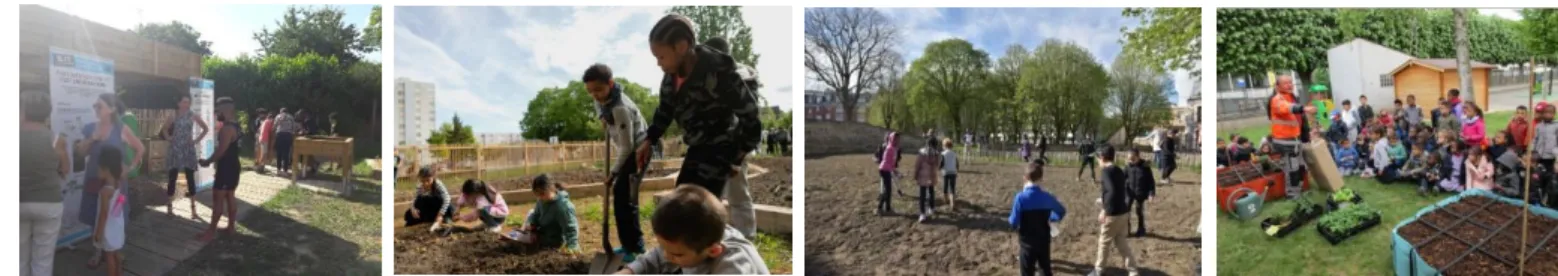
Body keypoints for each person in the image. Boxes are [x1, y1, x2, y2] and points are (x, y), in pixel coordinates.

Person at [635, 14, 763, 239]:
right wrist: (649, 139)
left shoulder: (719, 72)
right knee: (682, 200)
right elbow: (664, 110)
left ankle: (708, 259)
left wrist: (739, 154)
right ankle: (685, 258)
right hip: (697, 145)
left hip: (722, 146)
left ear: (682, 47)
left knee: (699, 213)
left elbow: (750, 115)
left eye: (661, 56)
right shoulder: (670, 77)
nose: (658, 63)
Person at [617, 185, 770, 274]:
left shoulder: (734, 267)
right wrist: (629, 271)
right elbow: (655, 258)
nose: (666, 256)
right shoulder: (695, 238)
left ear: (713, 251)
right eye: (664, 248)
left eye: (676, 254)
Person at [584, 63, 650, 260]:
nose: (595, 95)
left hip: (638, 151)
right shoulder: (603, 98)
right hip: (628, 149)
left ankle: (635, 248)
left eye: (598, 89)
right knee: (621, 198)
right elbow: (599, 106)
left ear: (610, 84)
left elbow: (627, 148)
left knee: (625, 198)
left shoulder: (620, 107)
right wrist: (602, 117)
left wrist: (613, 173)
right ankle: (629, 246)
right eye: (590, 91)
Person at [76, 94, 144, 268]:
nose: (96, 109)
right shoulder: (91, 128)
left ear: (112, 109)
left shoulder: (121, 128)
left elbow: (140, 149)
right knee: (94, 214)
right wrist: (93, 139)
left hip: (115, 184)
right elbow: (81, 153)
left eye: (99, 106)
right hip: (94, 178)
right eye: (95, 106)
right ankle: (97, 250)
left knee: (115, 215)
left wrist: (130, 169)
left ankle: (114, 249)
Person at [21, 90, 67, 276]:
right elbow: (65, 170)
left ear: (23, 111)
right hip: (49, 203)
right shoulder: (57, 140)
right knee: (43, 259)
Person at [1009, 159, 1067, 276]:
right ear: (1041, 179)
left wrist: (1014, 224)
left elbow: (1014, 221)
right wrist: (1052, 218)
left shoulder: (1020, 198)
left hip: (1027, 243)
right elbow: (1061, 211)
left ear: (1024, 178)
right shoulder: (1047, 197)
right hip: (1043, 240)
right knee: (1045, 270)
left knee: (1027, 271)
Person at [1087, 145, 1138, 276]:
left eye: (1097, 159)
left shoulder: (1106, 171)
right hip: (1123, 212)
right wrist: (1103, 199)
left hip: (1113, 214)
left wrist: (1105, 209)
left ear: (1102, 158)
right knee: (1122, 243)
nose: (1097, 162)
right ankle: (1133, 270)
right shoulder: (1119, 170)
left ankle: (1098, 270)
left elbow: (1112, 191)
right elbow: (1118, 191)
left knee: (1104, 242)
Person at [196, 97, 242, 242]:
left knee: (218, 199)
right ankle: (231, 227)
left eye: (218, 109)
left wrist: (207, 161)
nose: (216, 112)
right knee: (230, 196)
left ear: (224, 110)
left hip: (226, 168)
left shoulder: (227, 129)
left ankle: (210, 232)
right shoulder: (237, 126)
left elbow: (221, 151)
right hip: (234, 166)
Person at [160, 94, 209, 219]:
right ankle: (169, 207)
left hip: (188, 149)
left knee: (190, 178)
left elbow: (205, 128)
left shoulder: (193, 115)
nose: (187, 104)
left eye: (188, 102)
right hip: (175, 149)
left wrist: (195, 140)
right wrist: (169, 138)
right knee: (172, 177)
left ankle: (193, 209)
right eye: (184, 102)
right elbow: (164, 129)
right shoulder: (173, 115)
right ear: (179, 103)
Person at [1266, 75, 1315, 200]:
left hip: (1295, 139)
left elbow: (1298, 119)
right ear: (1277, 86)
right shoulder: (1277, 99)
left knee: (1300, 166)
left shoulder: (1292, 96)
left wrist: (1305, 133)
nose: (1290, 85)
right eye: (1285, 83)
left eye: (1291, 82)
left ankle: (1299, 189)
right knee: (1292, 168)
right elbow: (1286, 108)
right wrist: (1304, 108)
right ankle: (1293, 195)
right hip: (1285, 141)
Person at [512, 174, 580, 251]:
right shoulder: (542, 200)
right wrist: (531, 224)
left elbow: (571, 230)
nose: (539, 197)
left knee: (520, 239)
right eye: (537, 195)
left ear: (550, 189)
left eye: (542, 194)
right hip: (541, 232)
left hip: (553, 240)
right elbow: (536, 214)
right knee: (531, 212)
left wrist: (573, 248)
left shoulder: (563, 207)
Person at [91, 147, 128, 275]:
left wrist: (98, 233)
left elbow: (104, 214)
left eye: (99, 168)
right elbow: (120, 203)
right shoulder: (119, 183)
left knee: (109, 258)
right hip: (117, 225)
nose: (97, 170)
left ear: (106, 169)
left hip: (107, 229)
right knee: (116, 254)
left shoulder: (104, 191)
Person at [1126, 148, 1155, 237]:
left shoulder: (1145, 167)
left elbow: (1151, 181)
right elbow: (1122, 177)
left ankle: (1141, 229)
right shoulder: (1128, 166)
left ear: (1138, 157)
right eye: (1129, 159)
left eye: (1133, 159)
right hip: (1129, 192)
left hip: (1140, 192)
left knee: (1139, 211)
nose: (1131, 161)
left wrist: (1151, 194)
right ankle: (1126, 230)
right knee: (1126, 211)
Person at [1534, 102, 1558, 206]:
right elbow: (1535, 139)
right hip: (1540, 157)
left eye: (1551, 113)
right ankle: (1539, 197)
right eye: (1546, 113)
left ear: (1554, 114)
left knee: (1550, 180)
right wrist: (1533, 151)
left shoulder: (1556, 126)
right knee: (1539, 178)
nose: (1548, 115)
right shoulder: (1539, 126)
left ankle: (1549, 200)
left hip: (1551, 158)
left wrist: (1557, 158)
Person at [914, 138, 942, 222]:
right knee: (931, 191)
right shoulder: (936, 153)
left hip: (923, 176)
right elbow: (937, 165)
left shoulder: (922, 153)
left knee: (922, 195)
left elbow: (917, 164)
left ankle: (922, 214)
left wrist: (915, 174)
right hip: (931, 175)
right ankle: (931, 207)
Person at [874, 132, 901, 215]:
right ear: (892, 139)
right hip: (884, 170)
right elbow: (887, 162)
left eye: (898, 139)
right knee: (887, 191)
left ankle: (888, 208)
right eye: (896, 139)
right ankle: (879, 208)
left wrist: (896, 171)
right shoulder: (891, 148)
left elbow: (891, 163)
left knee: (888, 191)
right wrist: (894, 171)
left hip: (886, 169)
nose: (898, 140)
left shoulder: (893, 148)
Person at [272, 107, 297, 174]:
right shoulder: (291, 117)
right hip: (288, 136)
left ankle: (278, 169)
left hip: (279, 135)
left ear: (281, 112)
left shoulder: (278, 116)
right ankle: (285, 170)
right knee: (286, 153)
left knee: (279, 153)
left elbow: (274, 127)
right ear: (287, 112)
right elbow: (294, 128)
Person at [941, 138, 960, 210]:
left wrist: (939, 168)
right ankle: (952, 203)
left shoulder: (943, 153)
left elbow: (941, 163)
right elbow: (957, 163)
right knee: (952, 188)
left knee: (945, 186)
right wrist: (957, 170)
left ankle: (946, 200)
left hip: (946, 172)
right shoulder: (954, 153)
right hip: (953, 172)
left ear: (945, 146)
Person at [256, 109, 275, 173]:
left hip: (261, 138)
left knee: (263, 153)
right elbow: (272, 131)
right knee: (264, 153)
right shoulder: (270, 122)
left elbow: (259, 129)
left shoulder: (264, 121)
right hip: (265, 138)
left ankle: (261, 166)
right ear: (272, 118)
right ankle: (260, 167)